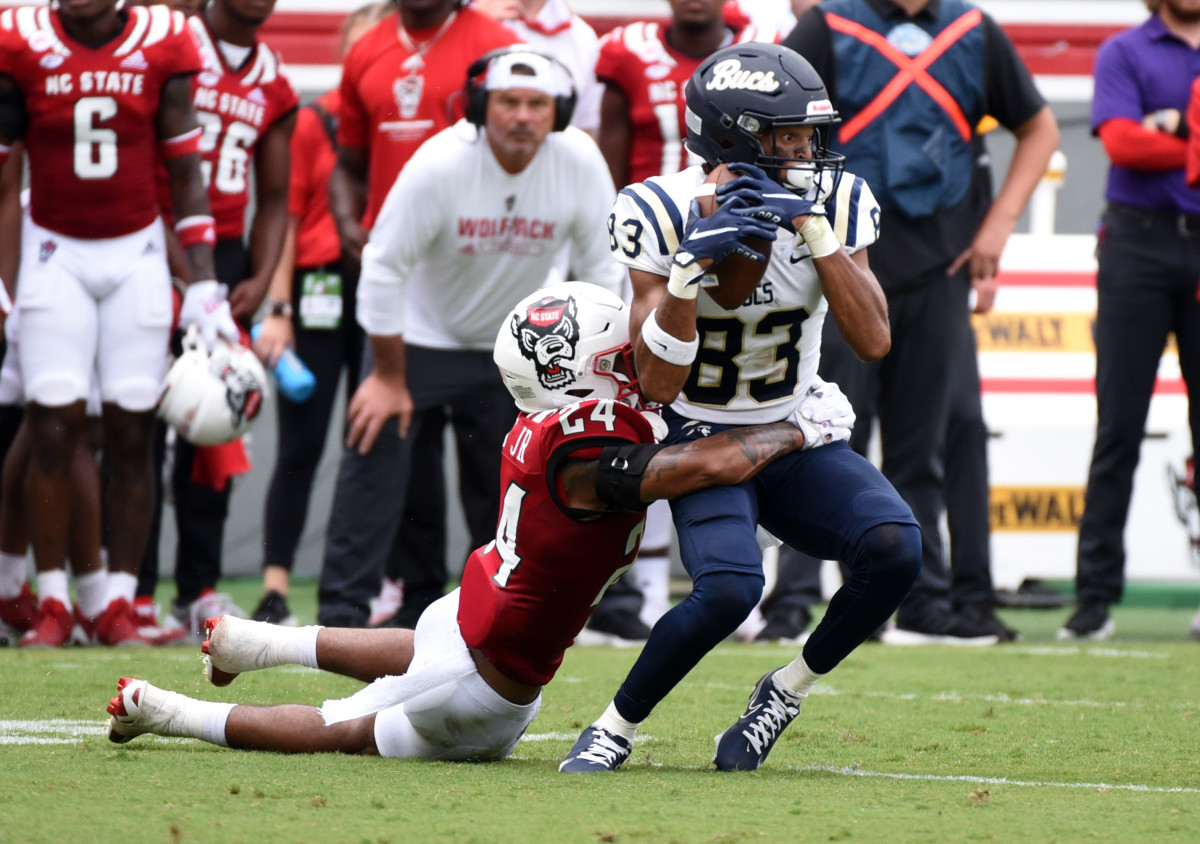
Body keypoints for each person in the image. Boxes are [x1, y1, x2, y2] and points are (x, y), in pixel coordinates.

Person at [105, 281, 854, 758]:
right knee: (344, 728)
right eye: (612, 346)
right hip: (482, 688)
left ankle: (255, 642)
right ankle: (172, 715)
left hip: (468, 613)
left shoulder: (548, 423)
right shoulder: (591, 456)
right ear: (577, 369)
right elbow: (706, 466)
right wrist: (800, 428)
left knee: (424, 642)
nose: (629, 349)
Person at [559, 43, 922, 774]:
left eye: (809, 135)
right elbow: (657, 382)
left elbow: (875, 338)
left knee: (894, 549)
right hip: (696, 430)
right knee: (728, 589)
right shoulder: (655, 208)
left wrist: (815, 232)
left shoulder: (838, 201)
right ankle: (615, 726)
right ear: (736, 139)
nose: (808, 150)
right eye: (789, 137)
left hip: (792, 427)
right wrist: (692, 266)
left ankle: (785, 692)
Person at [317, 48, 624, 628]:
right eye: (509, 102)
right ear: (482, 107)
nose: (522, 117)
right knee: (376, 451)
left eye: (537, 104)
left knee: (512, 479)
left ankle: (514, 605)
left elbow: (602, 271)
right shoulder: (439, 163)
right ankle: (342, 608)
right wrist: (386, 376)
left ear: (557, 114)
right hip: (416, 337)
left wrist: (594, 368)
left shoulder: (579, 160)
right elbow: (382, 266)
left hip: (518, 345)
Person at [783, 0, 1059, 644]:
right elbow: (776, 129)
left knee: (922, 449)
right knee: (821, 437)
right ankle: (793, 602)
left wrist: (997, 227)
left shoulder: (972, 28)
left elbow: (1040, 129)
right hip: (843, 270)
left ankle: (923, 600)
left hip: (940, 267)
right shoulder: (829, 23)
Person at [0, 0, 232, 646]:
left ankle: (118, 606)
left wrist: (207, 282)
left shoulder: (166, 40)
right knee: (52, 426)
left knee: (133, 432)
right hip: (54, 250)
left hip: (138, 254)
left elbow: (186, 172)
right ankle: (53, 602)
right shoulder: (19, 41)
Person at [585, 0, 781, 643]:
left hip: (751, 225)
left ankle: (747, 593)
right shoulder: (628, 50)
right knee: (653, 411)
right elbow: (611, 164)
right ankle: (637, 595)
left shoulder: (767, 46)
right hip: (660, 236)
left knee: (749, 403)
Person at [322, 0, 519, 629]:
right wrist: (351, 224)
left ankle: (505, 604)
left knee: (499, 467)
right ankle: (368, 606)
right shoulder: (367, 49)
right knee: (384, 448)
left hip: (485, 290)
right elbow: (348, 167)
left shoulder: (496, 45)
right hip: (400, 290)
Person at [128, 0, 297, 639]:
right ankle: (132, 590)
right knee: (136, 421)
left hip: (224, 256)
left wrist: (256, 274)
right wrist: (186, 270)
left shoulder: (275, 79)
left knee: (215, 422)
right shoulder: (171, 43)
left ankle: (195, 586)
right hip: (149, 240)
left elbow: (276, 195)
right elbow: (143, 166)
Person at [1059, 0, 1200, 641]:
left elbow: (1146, 140)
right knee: (1118, 425)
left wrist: (1166, 129)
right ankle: (1094, 601)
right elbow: (1121, 141)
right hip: (1135, 246)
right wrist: (1187, 138)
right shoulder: (1125, 49)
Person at [249, 1, 392, 628]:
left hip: (382, 291)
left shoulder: (406, 118)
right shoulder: (314, 120)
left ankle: (385, 584)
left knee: (378, 439)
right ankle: (275, 587)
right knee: (301, 444)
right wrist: (277, 309)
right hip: (315, 291)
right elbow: (290, 216)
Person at [472, 0, 602, 134]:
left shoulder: (582, 38)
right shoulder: (463, 15)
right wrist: (470, 25)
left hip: (553, 153)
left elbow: (584, 130)